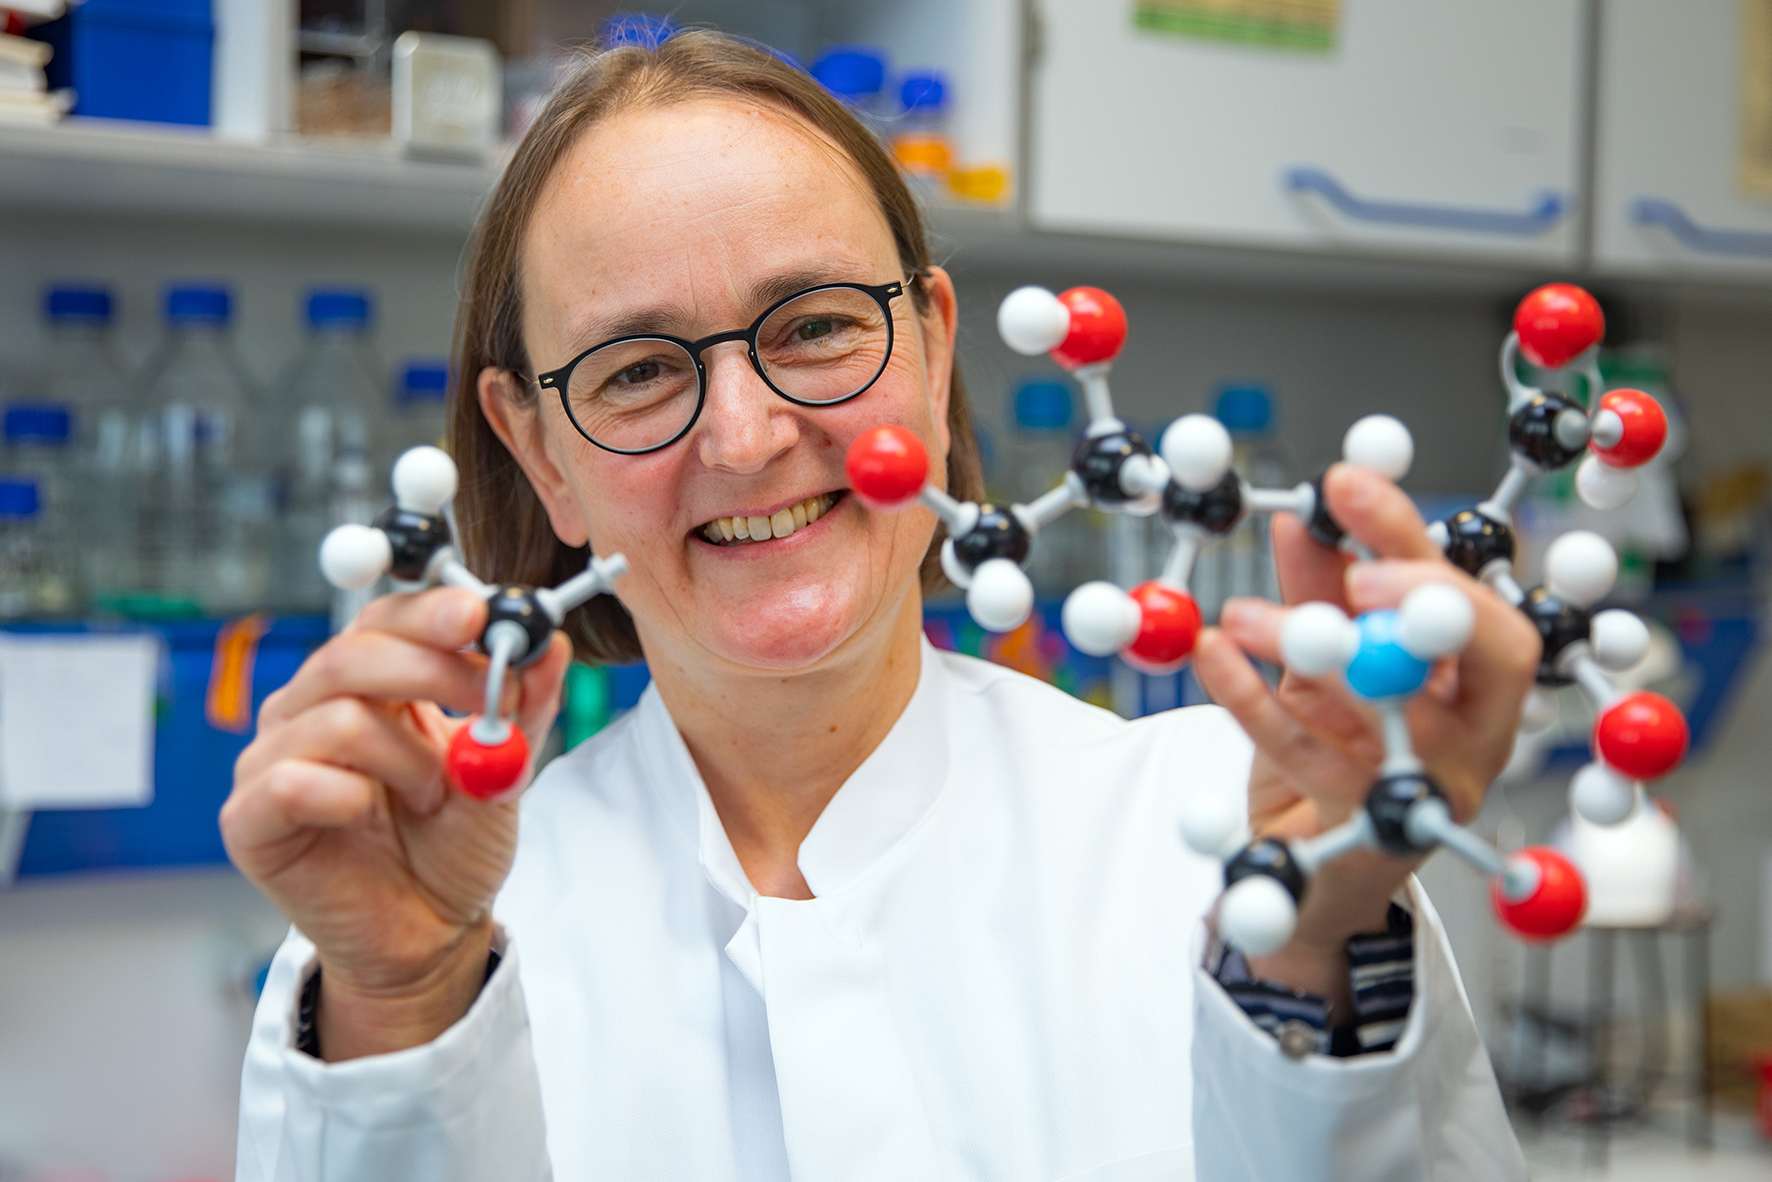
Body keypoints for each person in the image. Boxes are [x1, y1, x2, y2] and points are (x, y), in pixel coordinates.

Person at [226, 31, 1540, 1182]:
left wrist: (1309, 953)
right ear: (539, 452)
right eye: (635, 370)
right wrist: (404, 999)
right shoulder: (437, 931)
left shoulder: (1237, 832)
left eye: (811, 327)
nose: (742, 437)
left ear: (931, 345)